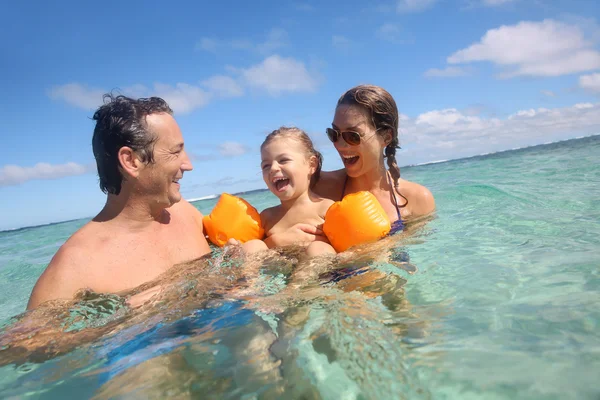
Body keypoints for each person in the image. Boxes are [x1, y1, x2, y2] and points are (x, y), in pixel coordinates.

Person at [26, 94, 211, 309]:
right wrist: (123, 319)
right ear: (131, 161)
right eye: (175, 151)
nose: (188, 164)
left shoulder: (185, 213)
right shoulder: (76, 263)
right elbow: (28, 343)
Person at [265, 84, 435, 247]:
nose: (340, 145)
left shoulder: (417, 199)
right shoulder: (318, 187)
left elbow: (424, 263)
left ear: (386, 137)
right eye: (335, 134)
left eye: (352, 136)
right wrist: (276, 242)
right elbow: (275, 229)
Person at [242, 127, 336, 257]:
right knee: (252, 246)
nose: (273, 168)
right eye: (266, 165)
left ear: (311, 165)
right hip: (275, 272)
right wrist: (278, 241)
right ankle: (247, 278)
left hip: (319, 273)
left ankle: (303, 277)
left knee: (318, 248)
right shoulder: (267, 217)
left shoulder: (326, 209)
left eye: (283, 160)